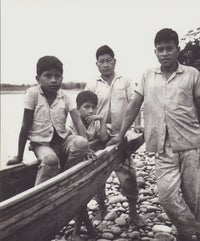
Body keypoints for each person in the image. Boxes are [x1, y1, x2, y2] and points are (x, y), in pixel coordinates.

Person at [108, 29, 200, 241]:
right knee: (165, 196)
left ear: (177, 49)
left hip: (190, 143)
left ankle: (185, 235)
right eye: (160, 49)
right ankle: (198, 230)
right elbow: (134, 105)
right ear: (155, 51)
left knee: (192, 197)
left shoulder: (192, 74)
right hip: (162, 145)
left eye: (169, 48)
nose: (164, 53)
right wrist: (121, 134)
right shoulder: (147, 75)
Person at [85, 45, 145, 227]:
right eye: (101, 61)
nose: (105, 65)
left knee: (127, 173)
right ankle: (101, 207)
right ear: (97, 64)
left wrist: (137, 126)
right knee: (97, 175)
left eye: (108, 60)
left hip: (121, 133)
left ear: (114, 62)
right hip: (98, 135)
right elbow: (85, 111)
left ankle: (133, 211)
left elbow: (135, 104)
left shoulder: (125, 81)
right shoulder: (92, 84)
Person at [7, 55, 89, 186]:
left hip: (63, 140)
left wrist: (87, 149)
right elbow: (25, 126)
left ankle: (66, 176)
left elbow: (78, 122)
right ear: (38, 78)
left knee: (83, 144)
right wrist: (19, 156)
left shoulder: (65, 96)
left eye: (57, 76)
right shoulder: (32, 94)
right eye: (48, 76)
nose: (53, 80)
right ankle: (37, 195)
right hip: (41, 143)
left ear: (62, 78)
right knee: (50, 160)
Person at [69, 90, 109, 240]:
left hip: (88, 161)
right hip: (73, 162)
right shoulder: (72, 122)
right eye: (86, 107)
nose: (91, 110)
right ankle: (78, 231)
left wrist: (102, 120)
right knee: (81, 196)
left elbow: (104, 138)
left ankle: (82, 230)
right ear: (78, 108)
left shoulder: (94, 122)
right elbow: (75, 144)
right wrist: (88, 148)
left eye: (93, 107)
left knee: (84, 196)